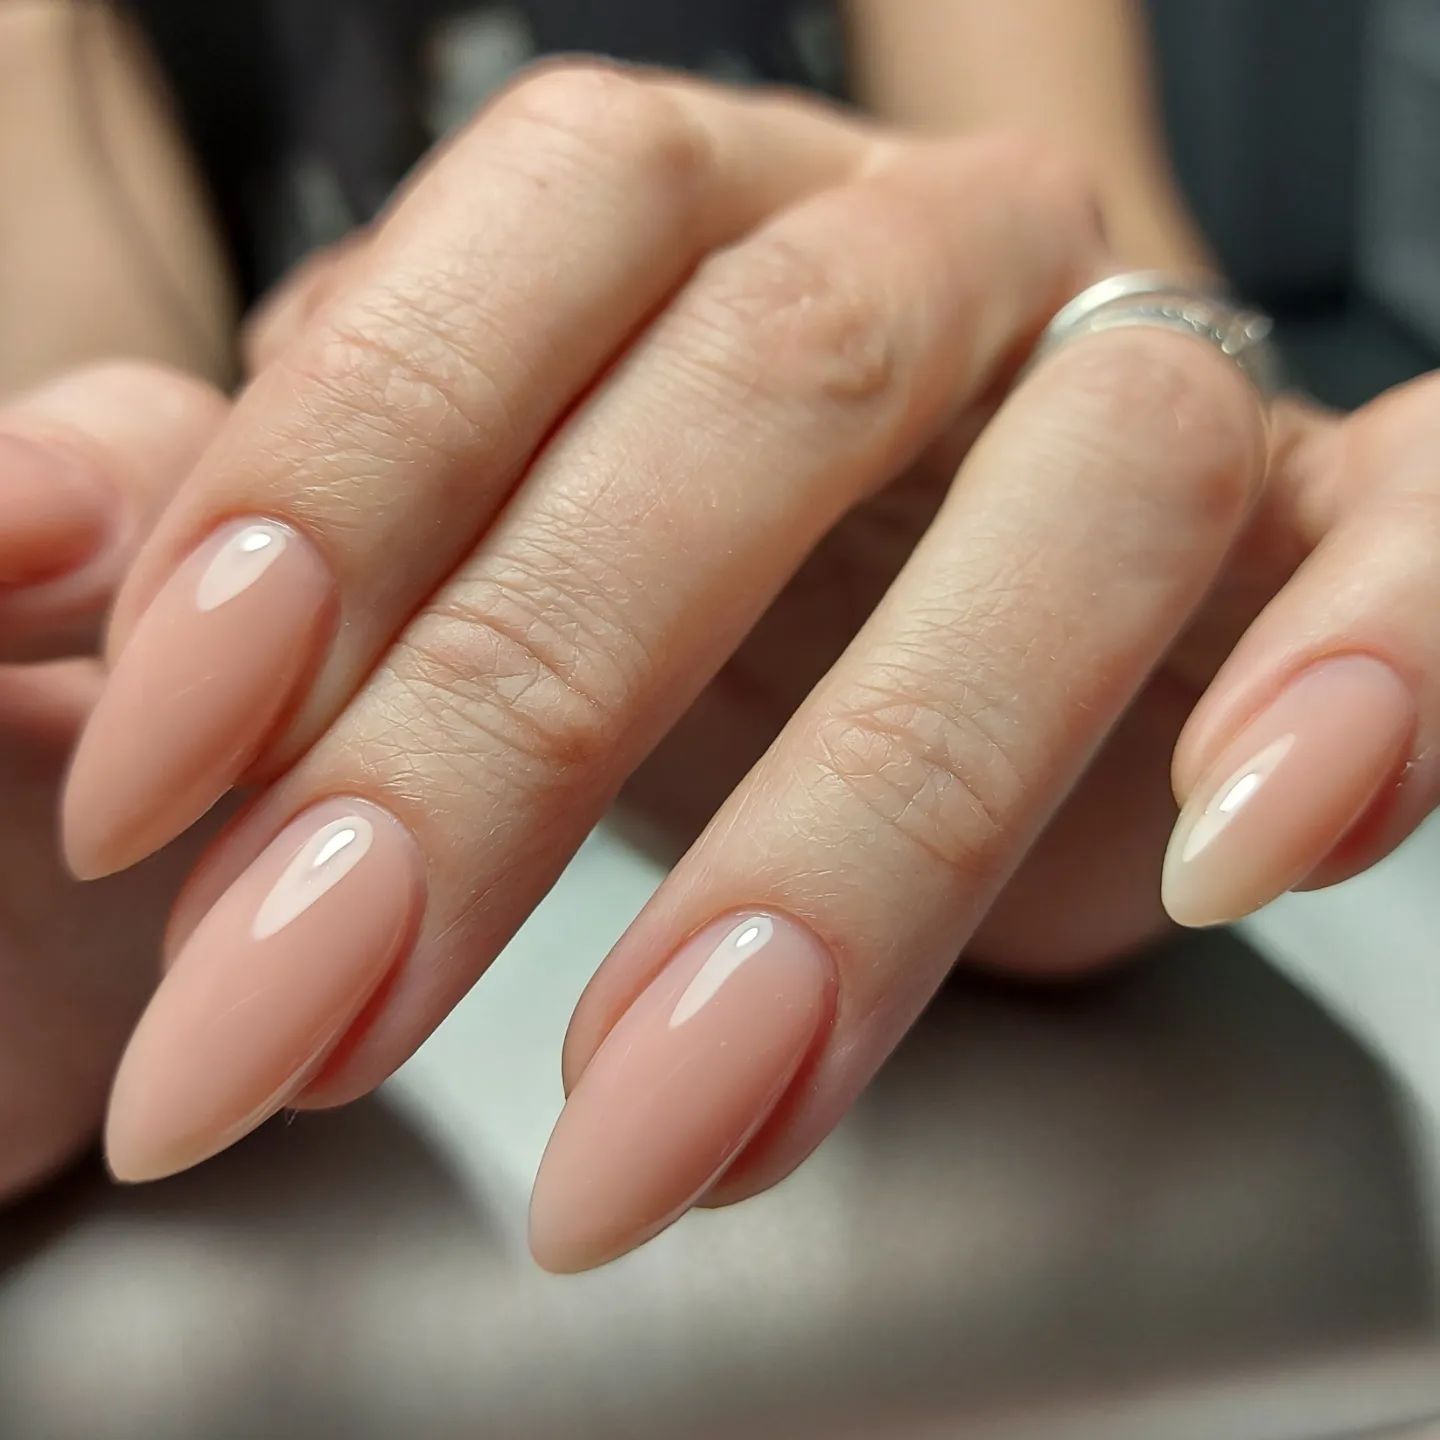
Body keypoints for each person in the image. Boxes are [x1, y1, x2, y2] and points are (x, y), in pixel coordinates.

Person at [1, 0, 1436, 1273]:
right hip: (366, 856)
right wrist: (68, 743)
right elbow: (96, 466)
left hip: (937, 740)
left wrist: (1162, 447)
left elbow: (1129, 305)